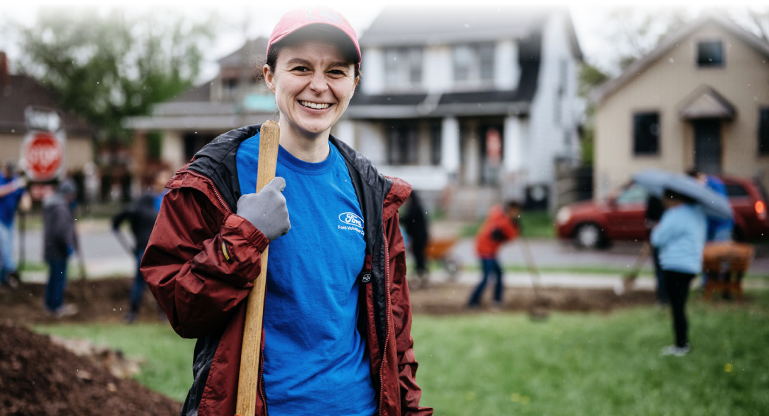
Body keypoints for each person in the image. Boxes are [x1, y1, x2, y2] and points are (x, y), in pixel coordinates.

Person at [140, 6, 431, 416]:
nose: (318, 86)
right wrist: (244, 236)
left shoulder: (369, 191)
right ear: (270, 76)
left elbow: (394, 329)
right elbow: (182, 310)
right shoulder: (215, 179)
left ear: (354, 83)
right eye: (300, 68)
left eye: (335, 71)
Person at [650, 189, 707, 357]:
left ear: (673, 199)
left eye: (666, 198)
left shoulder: (673, 215)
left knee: (677, 307)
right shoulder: (697, 213)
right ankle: (682, 342)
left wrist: (656, 228)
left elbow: (657, 239)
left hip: (675, 265)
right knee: (680, 304)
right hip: (691, 265)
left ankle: (681, 345)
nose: (664, 201)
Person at [112, 169, 170, 323]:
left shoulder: (140, 207)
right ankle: (160, 314)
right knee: (156, 281)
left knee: (142, 281)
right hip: (152, 248)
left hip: (147, 248)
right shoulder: (151, 206)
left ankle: (134, 314)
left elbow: (123, 214)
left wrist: (116, 225)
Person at [468, 201, 521, 308]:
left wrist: (514, 225)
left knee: (498, 274)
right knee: (487, 276)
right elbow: (510, 236)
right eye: (516, 211)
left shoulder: (499, 215)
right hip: (486, 251)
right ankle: (473, 302)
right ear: (511, 209)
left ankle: (496, 300)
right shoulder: (503, 220)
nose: (518, 214)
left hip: (489, 250)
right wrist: (515, 227)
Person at [42, 179, 79, 317]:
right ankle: (56, 307)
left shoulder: (53, 205)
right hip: (58, 251)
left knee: (53, 277)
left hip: (51, 249)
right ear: (68, 194)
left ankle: (49, 305)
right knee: (59, 279)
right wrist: (68, 245)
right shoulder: (61, 207)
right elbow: (61, 230)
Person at [0, 162, 26, 288]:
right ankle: (12, 271)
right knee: (5, 246)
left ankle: (3, 278)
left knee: (8, 247)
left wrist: (25, 201)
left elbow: (25, 198)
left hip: (10, 220)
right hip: (0, 219)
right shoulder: (3, 179)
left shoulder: (16, 180)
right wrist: (14, 185)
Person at [400, 190, 429, 284]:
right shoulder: (416, 207)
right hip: (419, 236)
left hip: (419, 237)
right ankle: (421, 273)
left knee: (419, 255)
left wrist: (396, 218)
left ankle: (421, 274)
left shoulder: (415, 207)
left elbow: (407, 219)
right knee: (419, 255)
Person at [645, 193, 667, 304]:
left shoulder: (653, 198)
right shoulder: (668, 201)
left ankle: (663, 298)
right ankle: (664, 297)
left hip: (659, 239)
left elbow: (648, 219)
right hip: (664, 240)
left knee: (660, 270)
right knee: (663, 270)